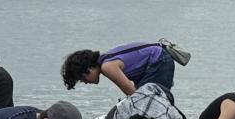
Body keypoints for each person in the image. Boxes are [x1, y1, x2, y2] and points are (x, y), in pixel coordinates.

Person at [61, 40, 189, 95]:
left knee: (148, 102)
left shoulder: (107, 67)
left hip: (159, 61)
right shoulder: (107, 59)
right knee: (151, 101)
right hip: (160, 59)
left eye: (82, 78)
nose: (85, 82)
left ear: (87, 68)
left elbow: (132, 93)